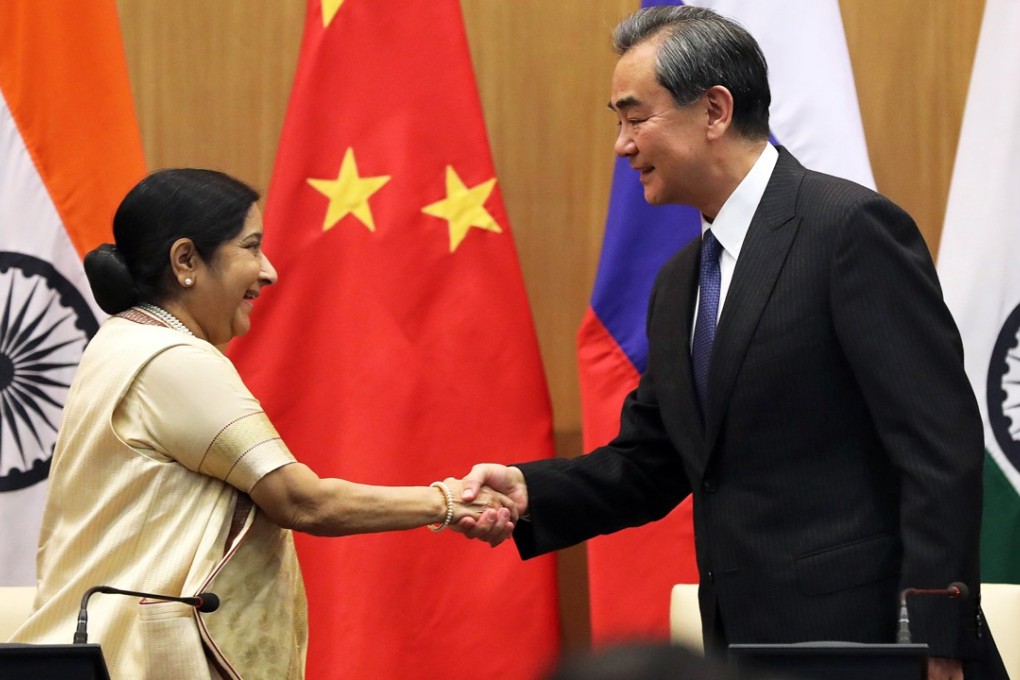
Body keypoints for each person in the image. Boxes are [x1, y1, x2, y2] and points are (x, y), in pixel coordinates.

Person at [455, 6, 1008, 680]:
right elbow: (650, 463)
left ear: (714, 110)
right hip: (743, 647)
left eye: (635, 117)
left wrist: (937, 639)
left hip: (874, 648)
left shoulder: (849, 231)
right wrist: (526, 491)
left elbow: (938, 446)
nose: (621, 145)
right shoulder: (682, 281)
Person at [7, 169, 516, 680]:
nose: (268, 271)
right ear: (186, 261)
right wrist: (448, 502)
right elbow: (302, 501)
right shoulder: (171, 358)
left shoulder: (121, 340)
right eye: (251, 247)